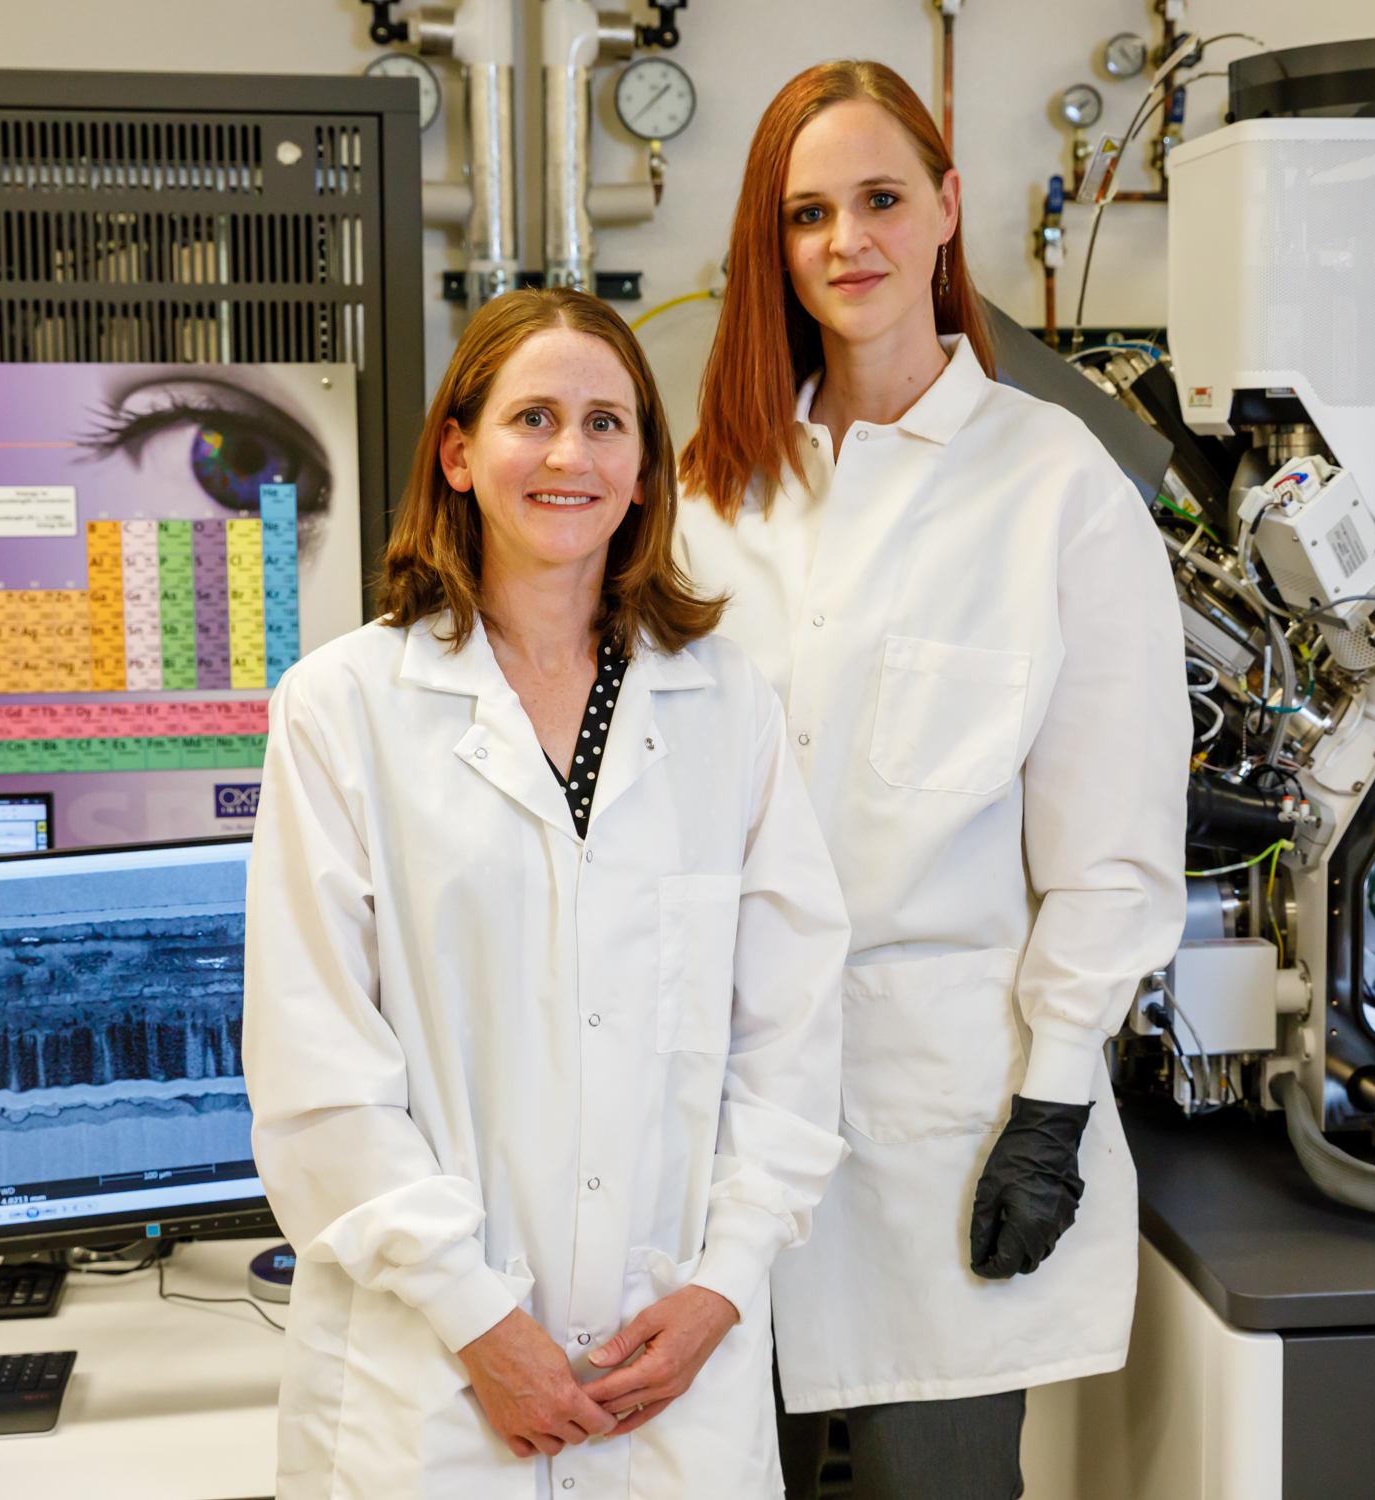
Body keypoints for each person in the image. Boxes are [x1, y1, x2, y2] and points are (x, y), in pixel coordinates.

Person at [675, 61, 1193, 1499]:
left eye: (884, 200)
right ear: (772, 249)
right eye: (809, 214)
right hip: (714, 1146)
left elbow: (1112, 849)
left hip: (948, 1138)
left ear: (950, 210)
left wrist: (1053, 1106)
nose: (850, 243)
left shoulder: (1057, 489)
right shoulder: (711, 494)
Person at [245, 287, 852, 1500]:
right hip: (430, 1387)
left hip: (669, 1370)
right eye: (533, 417)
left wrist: (722, 1287)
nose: (571, 454)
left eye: (606, 423)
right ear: (460, 455)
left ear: (643, 472)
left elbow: (791, 1032)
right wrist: (481, 1323)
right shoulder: (342, 708)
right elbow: (318, 1071)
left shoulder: (727, 703)